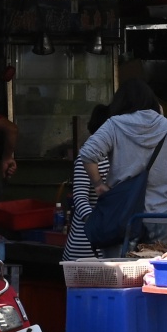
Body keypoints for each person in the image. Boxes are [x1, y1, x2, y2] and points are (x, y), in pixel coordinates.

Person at [78, 80, 167, 241]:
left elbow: (88, 153)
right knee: (158, 266)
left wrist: (98, 184)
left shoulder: (114, 125)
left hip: (123, 218)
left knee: (121, 266)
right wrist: (162, 119)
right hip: (163, 218)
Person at [62, 105, 112, 261]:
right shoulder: (88, 157)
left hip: (105, 243)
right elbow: (80, 197)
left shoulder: (114, 154)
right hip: (84, 246)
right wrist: (95, 223)